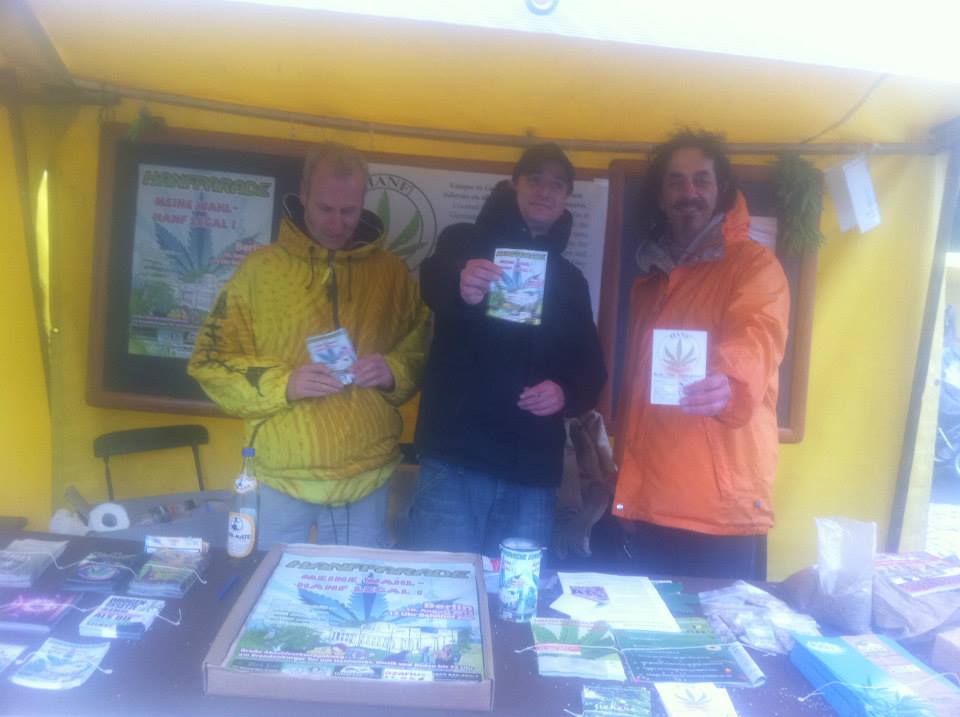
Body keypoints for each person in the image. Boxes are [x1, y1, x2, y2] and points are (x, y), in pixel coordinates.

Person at [188, 142, 429, 549]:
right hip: (282, 476)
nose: (337, 223)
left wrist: (394, 371)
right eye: (324, 209)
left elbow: (420, 346)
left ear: (362, 201)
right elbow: (210, 362)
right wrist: (285, 383)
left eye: (348, 211)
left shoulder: (390, 274)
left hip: (365, 473)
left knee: (354, 593)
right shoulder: (260, 271)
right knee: (269, 592)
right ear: (303, 197)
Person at [410, 143, 607, 556]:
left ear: (567, 198)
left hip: (530, 472)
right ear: (514, 184)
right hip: (455, 459)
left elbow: (591, 369)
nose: (545, 191)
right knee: (443, 591)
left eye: (558, 184)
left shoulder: (571, 280)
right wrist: (459, 284)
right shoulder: (463, 241)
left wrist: (565, 393)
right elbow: (430, 282)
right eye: (535, 179)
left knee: (514, 601)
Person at [613, 129, 790, 580]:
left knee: (719, 648)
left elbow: (759, 332)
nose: (688, 192)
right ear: (660, 194)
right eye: (675, 181)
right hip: (650, 502)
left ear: (721, 189)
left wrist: (730, 381)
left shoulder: (755, 266)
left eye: (701, 180)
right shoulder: (648, 281)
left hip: (717, 511)